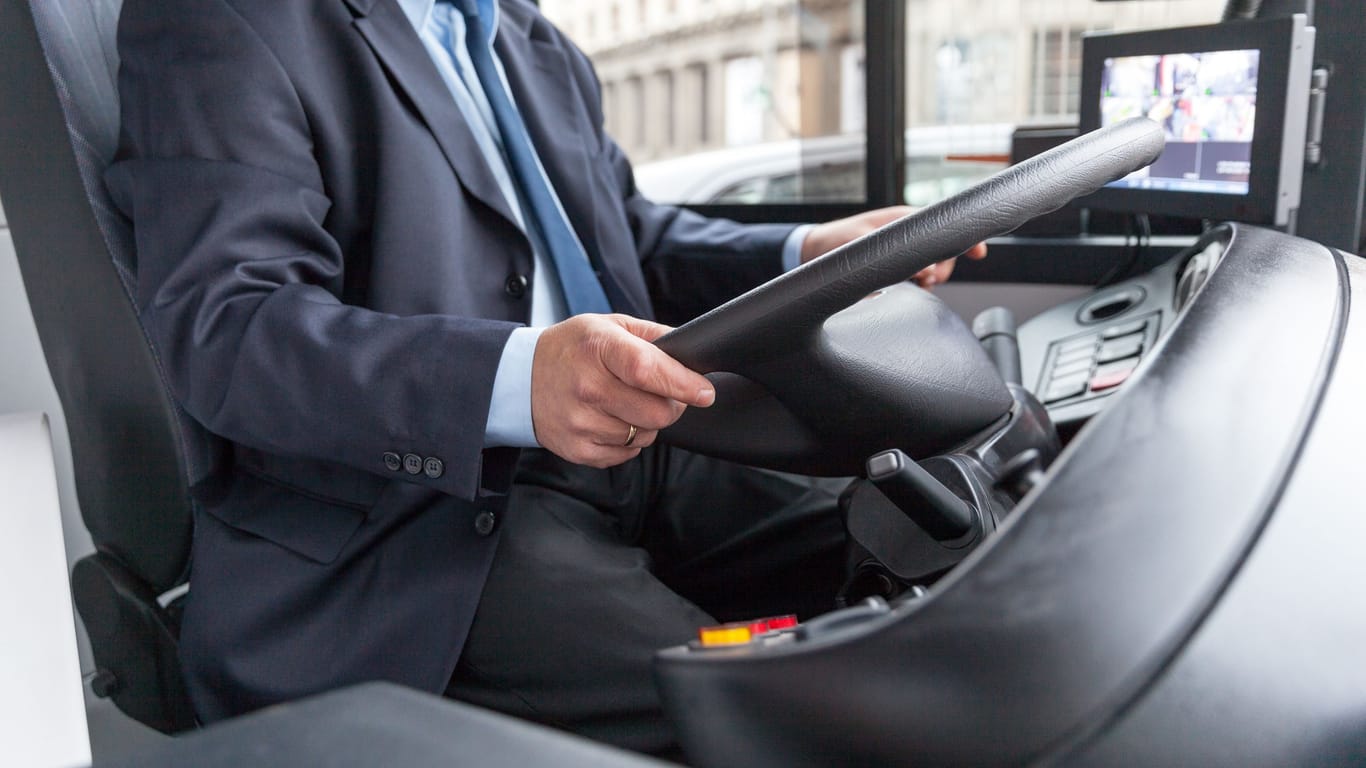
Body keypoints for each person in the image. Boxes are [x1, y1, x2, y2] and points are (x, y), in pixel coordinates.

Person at [106, 0, 984, 755]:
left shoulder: (523, 34)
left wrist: (804, 251)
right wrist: (519, 377)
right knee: (765, 708)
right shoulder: (223, 20)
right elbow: (231, 327)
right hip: (424, 515)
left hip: (642, 441)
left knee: (930, 550)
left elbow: (630, 241)